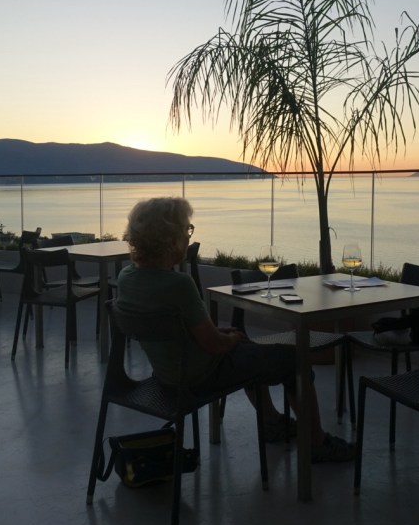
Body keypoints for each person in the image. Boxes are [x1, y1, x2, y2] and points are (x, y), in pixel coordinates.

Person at [116, 196, 355, 463]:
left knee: (249, 348)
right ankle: (317, 443)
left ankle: (272, 422)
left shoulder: (126, 278)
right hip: (201, 376)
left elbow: (182, 330)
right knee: (295, 360)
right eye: (186, 229)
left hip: (167, 374)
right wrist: (228, 339)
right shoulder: (179, 284)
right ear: (170, 239)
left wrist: (222, 334)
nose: (188, 236)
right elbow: (215, 346)